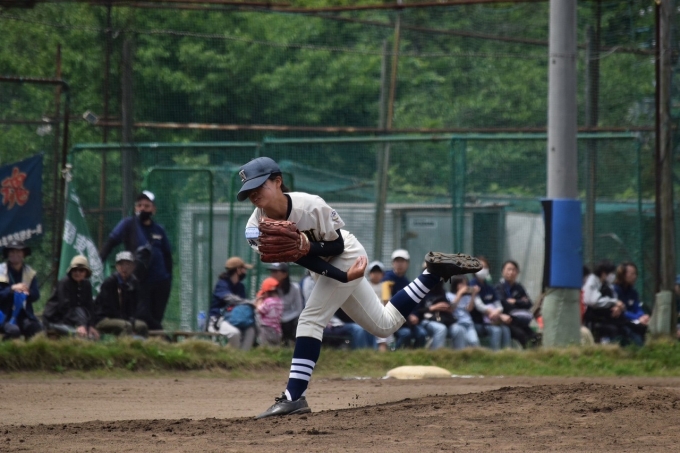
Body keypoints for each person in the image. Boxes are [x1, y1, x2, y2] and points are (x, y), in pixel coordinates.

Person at [235, 156, 481, 419]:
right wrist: (335, 272)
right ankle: (433, 274)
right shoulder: (254, 229)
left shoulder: (310, 205)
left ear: (277, 181)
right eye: (249, 190)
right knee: (384, 325)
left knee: (310, 319)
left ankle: (294, 397)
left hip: (348, 255)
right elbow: (303, 259)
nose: (253, 193)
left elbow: (338, 245)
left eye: (259, 185)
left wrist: (319, 255)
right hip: (325, 268)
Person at [100, 191, 172, 331]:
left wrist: (168, 279)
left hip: (160, 282)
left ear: (153, 209)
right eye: (139, 205)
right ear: (135, 208)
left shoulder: (159, 229)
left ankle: (155, 341)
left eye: (147, 206)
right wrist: (98, 262)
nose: (142, 208)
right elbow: (110, 243)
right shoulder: (128, 224)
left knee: (156, 316)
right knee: (142, 316)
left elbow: (167, 255)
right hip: (139, 281)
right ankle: (164, 337)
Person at [94, 251, 149, 337]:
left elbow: (135, 307)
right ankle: (124, 345)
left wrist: (132, 319)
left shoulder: (134, 283)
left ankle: (140, 345)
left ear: (133, 267)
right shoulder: (110, 282)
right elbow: (108, 308)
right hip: (104, 318)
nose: (124, 268)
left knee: (142, 326)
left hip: (124, 319)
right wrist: (126, 319)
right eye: (121, 264)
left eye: (128, 264)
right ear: (116, 266)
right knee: (126, 326)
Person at [43, 255, 99, 339]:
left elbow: (89, 306)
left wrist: (91, 325)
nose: (77, 273)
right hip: (56, 320)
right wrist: (80, 325)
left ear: (86, 272)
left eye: (81, 270)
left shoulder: (86, 284)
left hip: (74, 320)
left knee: (92, 336)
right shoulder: (65, 283)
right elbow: (65, 308)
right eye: (75, 270)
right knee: (81, 336)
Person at [207, 256, 256, 350]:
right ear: (238, 270)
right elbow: (230, 299)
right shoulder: (222, 284)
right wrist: (250, 302)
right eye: (244, 269)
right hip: (219, 319)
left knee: (250, 330)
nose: (245, 271)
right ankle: (233, 356)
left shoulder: (240, 286)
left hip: (235, 318)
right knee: (234, 333)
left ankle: (243, 356)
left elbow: (243, 305)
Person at [384, 249, 427, 349]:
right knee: (405, 334)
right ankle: (396, 355)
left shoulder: (407, 282)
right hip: (392, 321)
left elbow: (413, 303)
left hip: (407, 322)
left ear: (407, 264)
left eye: (402, 261)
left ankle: (416, 356)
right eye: (397, 261)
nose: (400, 264)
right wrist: (408, 316)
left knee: (422, 334)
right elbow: (388, 303)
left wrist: (415, 315)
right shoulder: (386, 280)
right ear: (392, 263)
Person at [0, 240, 43, 340]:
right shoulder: (1, 271)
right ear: (8, 254)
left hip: (23, 315)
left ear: (24, 254)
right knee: (14, 331)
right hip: (3, 315)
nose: (15, 254)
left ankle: (29, 350)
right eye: (12, 252)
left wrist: (27, 292)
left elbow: (36, 295)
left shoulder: (30, 273)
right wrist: (12, 289)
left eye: (18, 251)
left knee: (36, 328)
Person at [469, 257, 511, 351]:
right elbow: (479, 306)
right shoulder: (472, 285)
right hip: (477, 322)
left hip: (492, 320)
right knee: (496, 330)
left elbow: (499, 305)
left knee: (506, 329)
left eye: (485, 267)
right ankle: (494, 355)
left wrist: (497, 312)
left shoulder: (489, 287)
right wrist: (497, 314)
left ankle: (507, 354)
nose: (483, 270)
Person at [582, 259, 628, 344]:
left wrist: (618, 308)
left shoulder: (607, 284)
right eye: (611, 273)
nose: (613, 276)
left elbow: (616, 299)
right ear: (603, 273)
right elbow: (593, 302)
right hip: (593, 319)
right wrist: (614, 302)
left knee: (625, 327)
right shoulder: (592, 282)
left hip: (608, 317)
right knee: (613, 330)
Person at [496, 260, 540, 348]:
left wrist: (515, 301)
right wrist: (520, 302)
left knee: (535, 337)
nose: (511, 272)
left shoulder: (519, 287)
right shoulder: (499, 287)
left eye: (514, 270)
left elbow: (529, 304)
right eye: (509, 269)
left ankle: (536, 354)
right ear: (502, 272)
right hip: (507, 321)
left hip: (520, 321)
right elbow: (503, 304)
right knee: (522, 335)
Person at [267, 263, 304, 346]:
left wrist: (284, 318)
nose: (272, 274)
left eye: (275, 272)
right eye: (272, 272)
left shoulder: (295, 288)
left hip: (288, 318)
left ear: (284, 274)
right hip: (271, 318)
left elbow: (299, 309)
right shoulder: (268, 287)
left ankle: (290, 343)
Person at [613, 262, 648, 346]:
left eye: (635, 274)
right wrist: (637, 317)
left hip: (634, 321)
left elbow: (637, 307)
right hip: (621, 323)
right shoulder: (615, 290)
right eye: (632, 274)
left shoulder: (632, 292)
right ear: (623, 275)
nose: (634, 277)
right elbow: (622, 312)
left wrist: (642, 316)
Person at [416, 280, 453, 349]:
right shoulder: (420, 291)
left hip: (442, 319)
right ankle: (436, 354)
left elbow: (449, 307)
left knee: (459, 329)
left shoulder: (441, 291)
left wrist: (447, 307)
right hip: (425, 320)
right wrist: (432, 308)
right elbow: (416, 311)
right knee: (441, 329)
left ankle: (460, 355)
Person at [448, 277, 481, 349]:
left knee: (474, 342)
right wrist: (459, 294)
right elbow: (451, 308)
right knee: (463, 344)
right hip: (457, 323)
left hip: (468, 323)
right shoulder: (449, 295)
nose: (464, 286)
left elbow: (469, 309)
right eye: (462, 284)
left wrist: (473, 294)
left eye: (466, 284)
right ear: (455, 284)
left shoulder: (467, 297)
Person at [367, 260, 392, 352]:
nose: (376, 274)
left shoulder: (385, 286)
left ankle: (383, 351)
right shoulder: (366, 286)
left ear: (382, 274)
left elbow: (387, 303)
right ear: (369, 273)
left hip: (382, 315)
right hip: (368, 314)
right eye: (374, 272)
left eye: (378, 272)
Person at [255, 277, 284, 346]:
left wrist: (258, 301)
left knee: (265, 347)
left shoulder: (268, 301)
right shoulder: (280, 301)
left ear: (267, 292)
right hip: (277, 330)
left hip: (266, 329)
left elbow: (259, 310)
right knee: (275, 348)